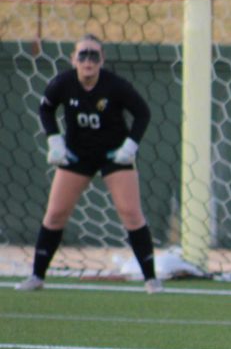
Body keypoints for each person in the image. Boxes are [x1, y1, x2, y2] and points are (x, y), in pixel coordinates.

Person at [17, 34, 160, 293]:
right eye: (82, 55)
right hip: (76, 155)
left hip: (113, 155)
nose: (88, 61)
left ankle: (151, 279)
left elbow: (143, 113)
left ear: (102, 60)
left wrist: (130, 146)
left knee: (131, 212)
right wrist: (54, 141)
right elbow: (46, 109)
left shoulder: (115, 86)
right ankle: (37, 276)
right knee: (55, 214)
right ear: (73, 59)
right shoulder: (62, 83)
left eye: (94, 55)